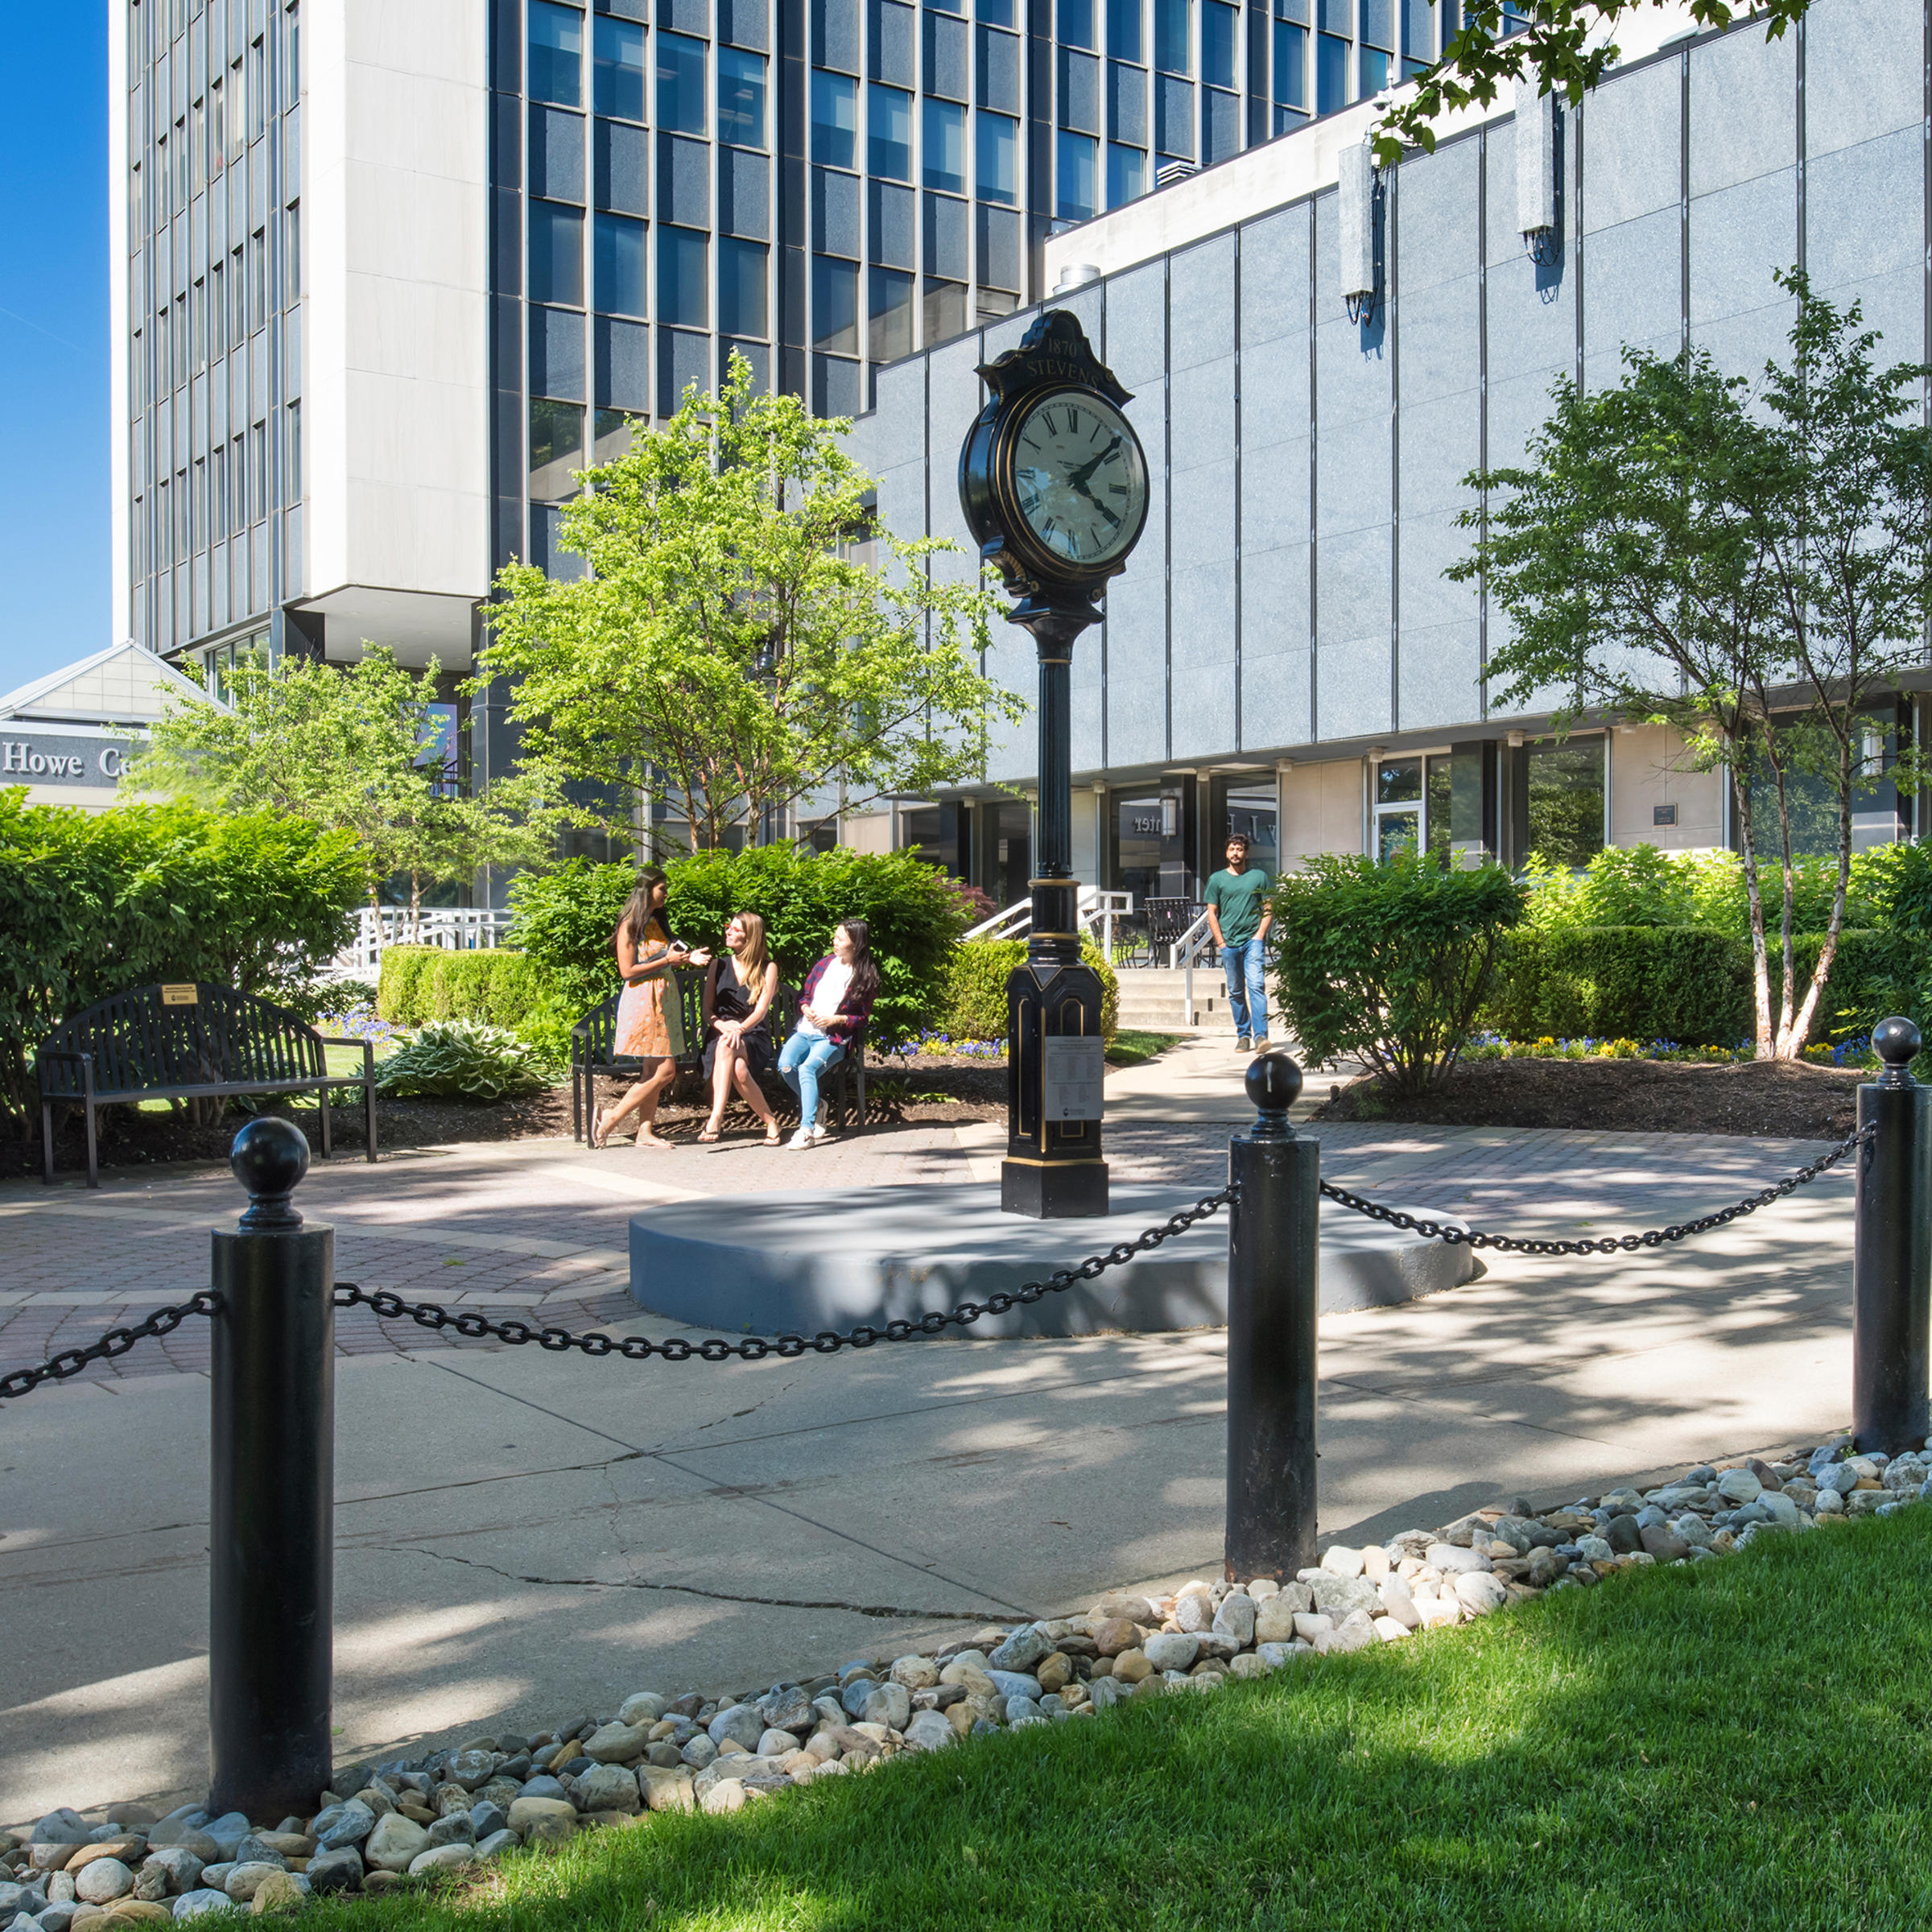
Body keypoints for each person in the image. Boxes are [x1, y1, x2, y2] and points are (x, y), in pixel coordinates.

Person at [592, 870, 710, 1150]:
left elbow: (665, 958)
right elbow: (628, 971)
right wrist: (666, 960)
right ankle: (611, 1117)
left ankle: (644, 1133)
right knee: (666, 1072)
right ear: (647, 891)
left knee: (651, 1072)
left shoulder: (656, 921)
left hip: (664, 1000)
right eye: (662, 889)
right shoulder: (630, 925)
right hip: (645, 1001)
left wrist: (685, 958)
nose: (666, 894)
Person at [778, 919, 878, 1150]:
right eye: (835, 936)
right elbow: (803, 996)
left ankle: (806, 1130)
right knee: (785, 1066)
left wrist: (837, 1019)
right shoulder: (824, 964)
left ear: (856, 943)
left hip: (833, 1038)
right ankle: (819, 1104)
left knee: (807, 1068)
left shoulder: (866, 975)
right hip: (806, 1030)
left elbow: (862, 1017)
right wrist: (805, 1008)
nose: (834, 942)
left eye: (840, 938)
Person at [698, 911, 782, 1145]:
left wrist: (739, 1030)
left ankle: (716, 1117)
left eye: (736, 929)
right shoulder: (718, 965)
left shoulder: (768, 967)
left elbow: (761, 1011)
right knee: (738, 1069)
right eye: (729, 927)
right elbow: (707, 1011)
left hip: (753, 1034)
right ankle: (771, 1122)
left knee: (728, 1047)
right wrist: (723, 1025)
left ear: (751, 936)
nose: (728, 932)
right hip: (721, 1032)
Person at [1203, 832, 1274, 1054]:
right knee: (1235, 991)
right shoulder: (1217, 880)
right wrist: (1221, 942)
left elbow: (1269, 907)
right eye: (1232, 849)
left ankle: (1261, 1036)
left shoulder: (1259, 876)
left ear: (1246, 853)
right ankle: (1243, 1036)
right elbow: (1212, 913)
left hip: (1252, 941)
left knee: (1256, 985)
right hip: (1229, 944)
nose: (1236, 853)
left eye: (1240, 849)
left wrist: (1260, 934)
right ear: (1227, 853)